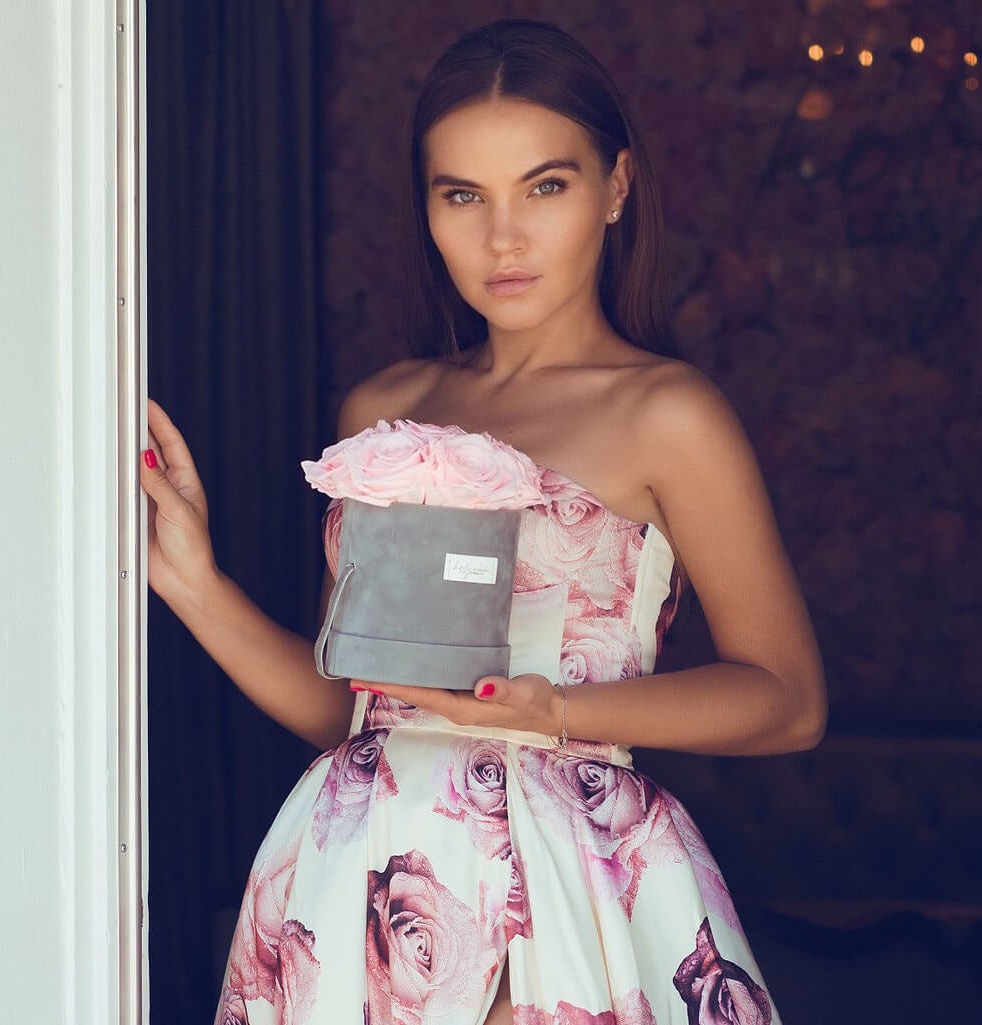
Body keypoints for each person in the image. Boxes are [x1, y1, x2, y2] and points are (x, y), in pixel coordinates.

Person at [139, 18, 825, 1025]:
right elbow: (355, 708)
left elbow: (786, 699)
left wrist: (545, 709)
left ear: (615, 190)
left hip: (558, 878)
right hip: (357, 868)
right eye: (461, 194)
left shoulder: (666, 414)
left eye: (544, 186)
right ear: (426, 207)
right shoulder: (381, 414)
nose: (501, 237)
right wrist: (194, 584)